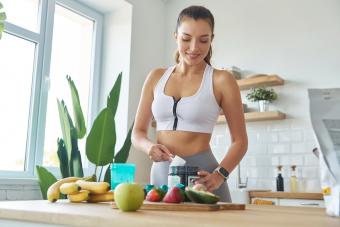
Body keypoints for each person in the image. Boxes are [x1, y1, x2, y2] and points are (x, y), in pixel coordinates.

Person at [131, 5, 248, 202]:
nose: (194, 48)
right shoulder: (156, 77)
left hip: (204, 177)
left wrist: (220, 175)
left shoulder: (222, 80)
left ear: (212, 39)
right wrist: (149, 147)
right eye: (186, 39)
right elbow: (138, 133)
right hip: (161, 175)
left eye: (204, 40)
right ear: (175, 36)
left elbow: (240, 141)